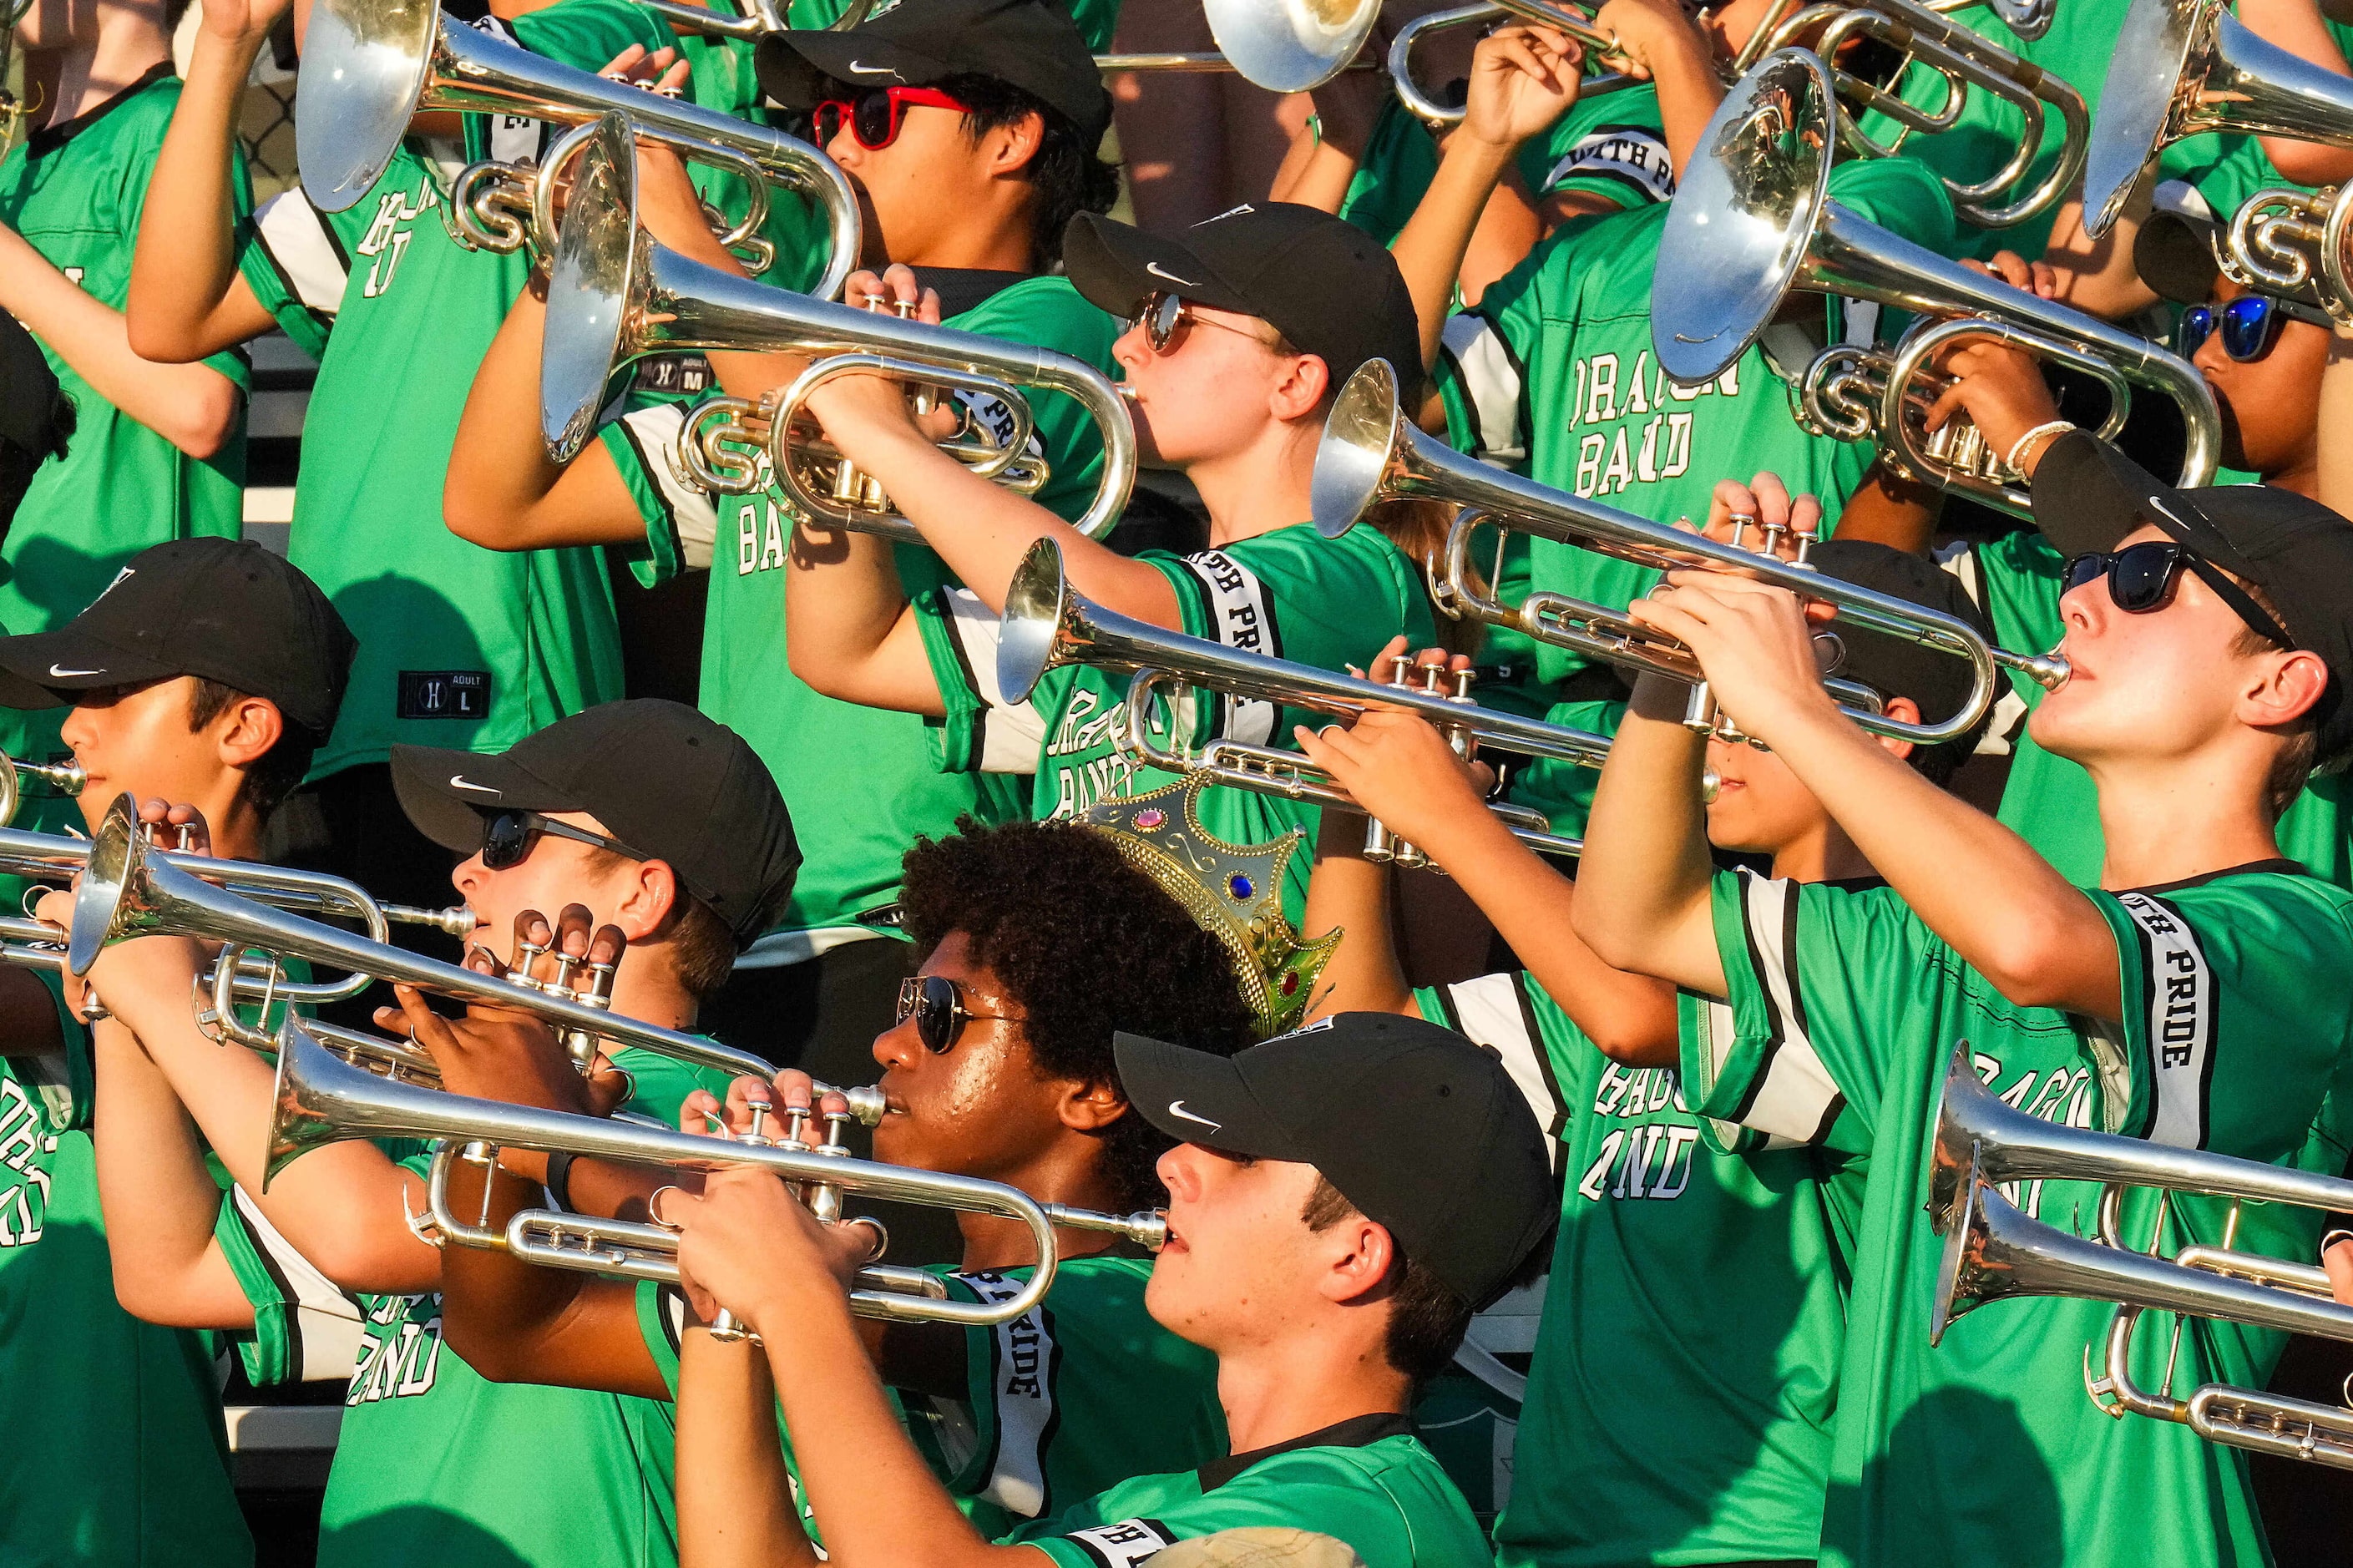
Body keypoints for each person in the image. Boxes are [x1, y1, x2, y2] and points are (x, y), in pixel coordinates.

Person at [1571, 448, 2353, 1566]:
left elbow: (2039, 944)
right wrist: (1677, 673)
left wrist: (1793, 707)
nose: (2077, 599)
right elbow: (1636, 918)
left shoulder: (2303, 937)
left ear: (2276, 685)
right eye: (2085, 568)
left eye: (2141, 583)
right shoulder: (1944, 935)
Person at [443, 0, 1126, 1090]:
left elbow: (840, 418)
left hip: (908, 920)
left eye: (871, 112)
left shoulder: (1057, 327)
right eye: (817, 119)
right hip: (741, 926)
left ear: (1012, 138)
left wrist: (678, 227)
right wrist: (576, 253)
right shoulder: (795, 340)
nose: (831, 144)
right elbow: (498, 499)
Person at [1293, 535, 1993, 1562]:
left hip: (1760, 1543)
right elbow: (1352, 1051)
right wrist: (1354, 815)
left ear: (1889, 733)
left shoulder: (1904, 963)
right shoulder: (1662, 947)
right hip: (1558, 1536)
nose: (1706, 744)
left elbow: (1630, 1017)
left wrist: (1449, 820)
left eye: (1735, 703)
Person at [430, 783, 1323, 1541]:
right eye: (905, 1001)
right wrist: (495, 1146)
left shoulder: (1136, 1311)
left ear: (1091, 1087)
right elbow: (515, 1335)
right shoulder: (885, 1295)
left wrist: (545, 1126)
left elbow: (789, 1288)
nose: (890, 1043)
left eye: (940, 1012)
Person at [76, 698, 800, 1568]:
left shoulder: (701, 1118)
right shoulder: (460, 1110)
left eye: (507, 839)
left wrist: (161, 990)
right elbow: (171, 1268)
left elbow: (360, 1230)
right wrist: (127, 1001)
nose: (463, 872)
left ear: (642, 894)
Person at [122, 0, 679, 919]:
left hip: (498, 703)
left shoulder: (573, 42)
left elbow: (433, 74)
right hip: (345, 701)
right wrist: (222, 48)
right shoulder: (378, 177)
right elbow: (170, 319)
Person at [663, 1008, 1555, 1568]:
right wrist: (727, 1304)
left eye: (1235, 1156)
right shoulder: (1160, 1501)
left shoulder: (1357, 1520)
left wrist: (796, 1296)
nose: (1171, 1163)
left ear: (1354, 1258)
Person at [782, 199, 1440, 921]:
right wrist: (843, 464)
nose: (1127, 347)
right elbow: (848, 653)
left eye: (1169, 320)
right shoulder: (1150, 584)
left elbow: (1105, 605)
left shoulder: (1356, 576)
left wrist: (880, 431)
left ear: (1294, 383)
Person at [1389, 5, 1941, 841]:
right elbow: (1379, 386)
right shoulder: (1582, 261)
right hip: (1581, 737)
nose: (1701, 10)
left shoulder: (1891, 191)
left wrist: (1683, 57)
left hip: (1765, 721)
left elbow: (1743, 259)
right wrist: (1480, 146)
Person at [0, 536, 353, 1568]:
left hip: (118, 1528)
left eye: (115, 694)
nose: (71, 728)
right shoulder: (54, 913)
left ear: (244, 727)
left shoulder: (259, 963)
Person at [1891, 208, 2353, 887]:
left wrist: (2035, 437)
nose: (2204, 351)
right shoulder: (2101, 562)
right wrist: (1925, 409)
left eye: (2251, 321)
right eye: (2198, 321)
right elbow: (1875, 605)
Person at [0, 0, 249, 828]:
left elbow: (199, 404)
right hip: (23, 625)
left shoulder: (172, 126)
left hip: (110, 654)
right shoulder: (19, 171)